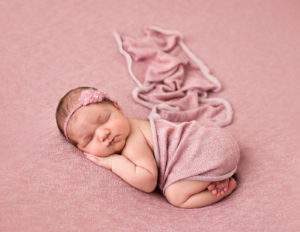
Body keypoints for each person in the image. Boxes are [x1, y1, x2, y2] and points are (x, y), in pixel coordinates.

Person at [56, 86, 238, 209]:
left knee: (176, 196)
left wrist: (114, 162)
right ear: (81, 149)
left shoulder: (132, 142)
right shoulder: (132, 125)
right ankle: (214, 176)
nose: (103, 134)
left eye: (104, 120)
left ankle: (224, 188)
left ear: (118, 107)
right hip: (213, 138)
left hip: (207, 150)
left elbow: (148, 180)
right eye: (89, 138)